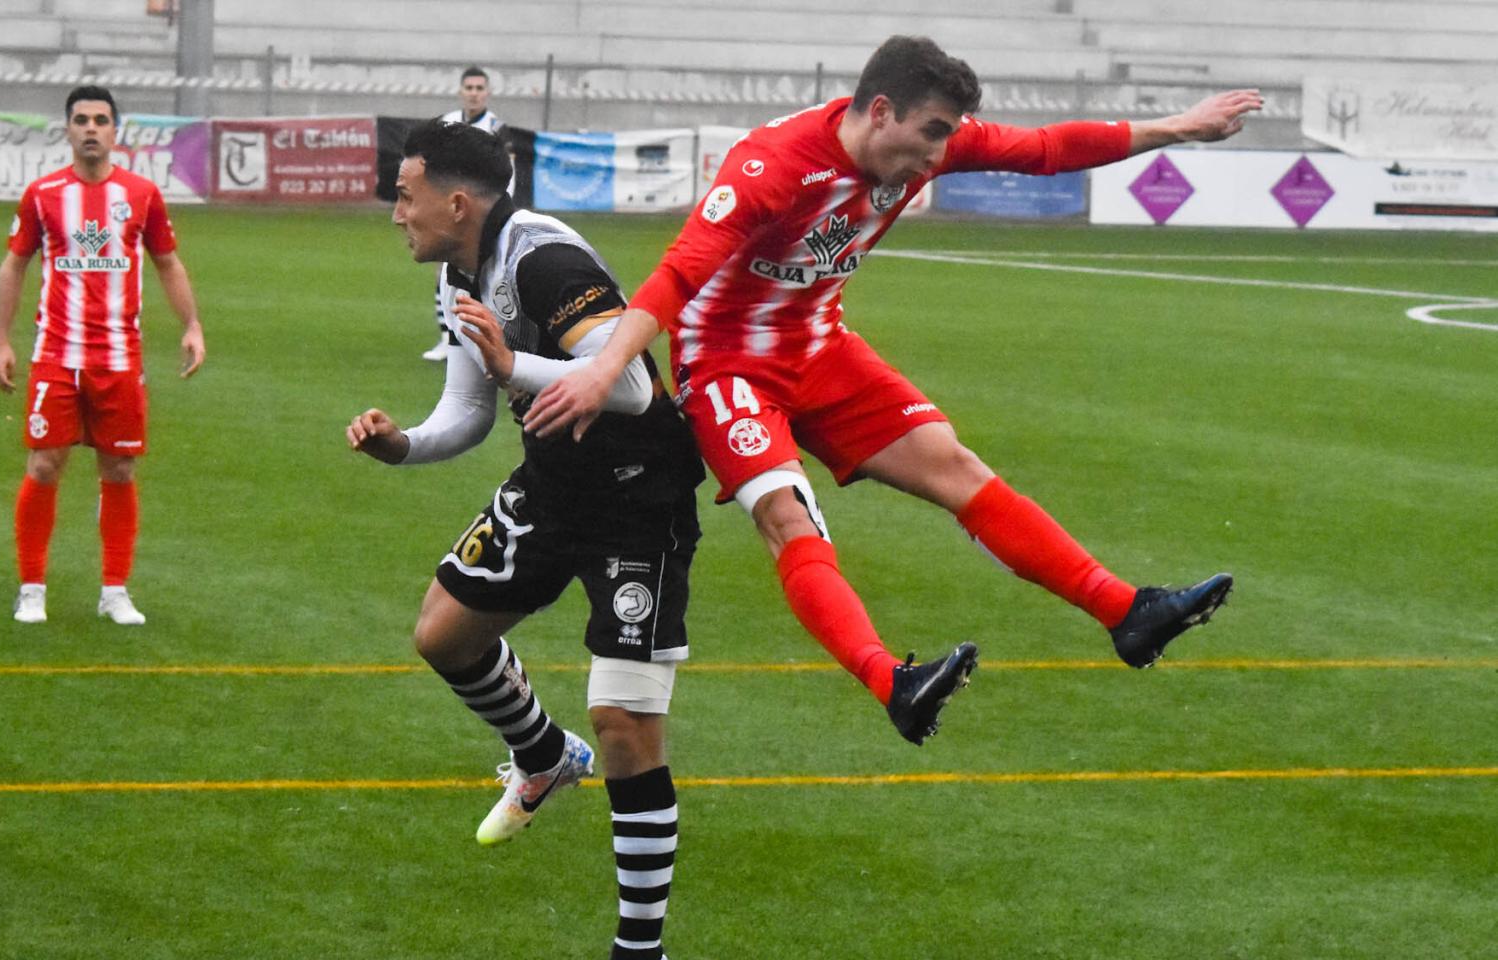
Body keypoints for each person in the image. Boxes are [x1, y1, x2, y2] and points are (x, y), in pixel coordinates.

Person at [525, 35, 1259, 744]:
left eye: (949, 136)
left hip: (821, 347)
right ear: (880, 112)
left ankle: (1127, 612)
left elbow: (1047, 149)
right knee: (788, 516)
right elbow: (679, 273)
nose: (940, 154)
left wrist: (1179, 128)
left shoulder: (925, 145)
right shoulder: (771, 166)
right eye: (932, 133)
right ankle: (892, 683)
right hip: (727, 365)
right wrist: (604, 369)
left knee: (956, 466)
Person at [349, 120, 714, 960]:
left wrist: (517, 367)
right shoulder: (458, 271)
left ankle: (639, 948)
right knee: (443, 633)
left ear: (457, 200)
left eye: (405, 196)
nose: (395, 212)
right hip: (554, 483)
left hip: (636, 497)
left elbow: (627, 383)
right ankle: (544, 756)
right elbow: (469, 413)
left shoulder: (544, 260)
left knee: (625, 725)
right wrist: (401, 442)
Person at [0, 84, 206, 625]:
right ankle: (32, 586)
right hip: (56, 353)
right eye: (81, 119)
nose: (91, 128)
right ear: (67, 128)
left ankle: (114, 590)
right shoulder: (43, 194)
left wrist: (192, 325)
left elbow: (168, 263)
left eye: (100, 120)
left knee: (120, 468)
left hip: (119, 357)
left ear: (115, 131)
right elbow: (14, 265)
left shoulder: (142, 194)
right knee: (44, 464)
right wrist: (0, 340)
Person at [424, 66, 507, 362]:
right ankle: (448, 339)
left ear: (487, 93)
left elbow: (506, 175)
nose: (473, 93)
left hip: (483, 213)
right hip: (449, 209)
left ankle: (492, 340)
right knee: (444, 274)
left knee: (488, 277)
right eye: (469, 88)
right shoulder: (446, 123)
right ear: (461, 91)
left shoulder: (497, 128)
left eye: (479, 88)